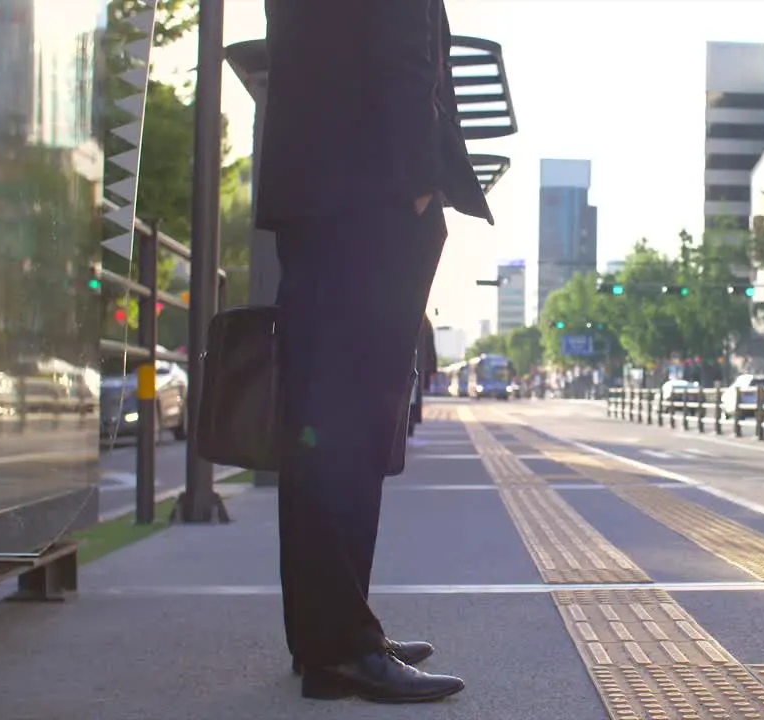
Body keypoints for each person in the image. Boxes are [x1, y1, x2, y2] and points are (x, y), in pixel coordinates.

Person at [256, 0, 492, 704]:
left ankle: (333, 634)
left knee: (327, 426)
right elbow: (399, 45)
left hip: (333, 192)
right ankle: (341, 645)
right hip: (369, 196)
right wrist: (419, 182)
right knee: (347, 429)